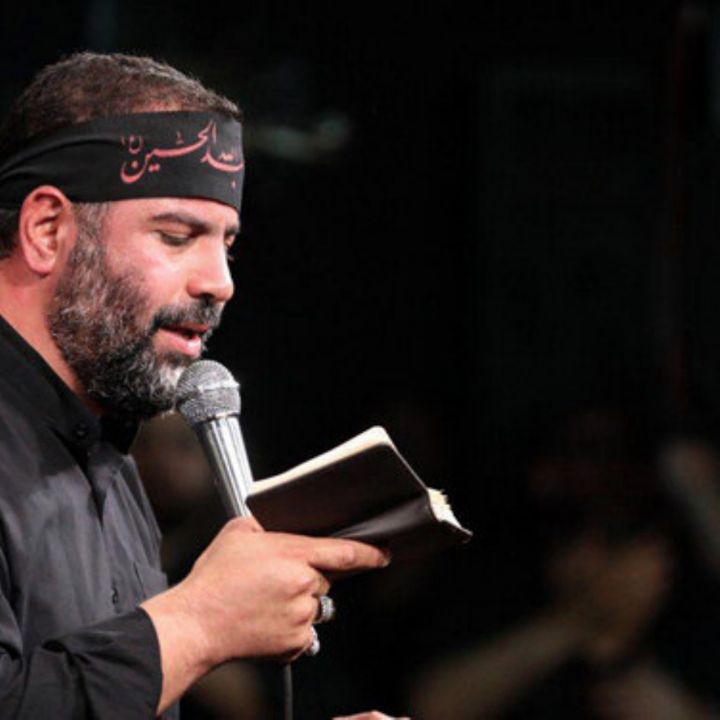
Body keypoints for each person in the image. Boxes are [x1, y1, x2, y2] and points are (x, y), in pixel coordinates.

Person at [0, 52, 398, 719]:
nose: (220, 282)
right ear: (47, 230)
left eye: (226, 244)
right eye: (177, 236)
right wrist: (199, 623)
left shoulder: (109, 463)